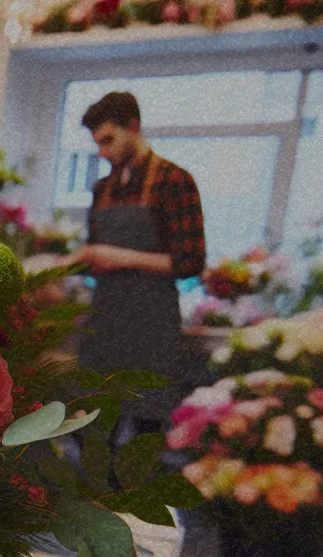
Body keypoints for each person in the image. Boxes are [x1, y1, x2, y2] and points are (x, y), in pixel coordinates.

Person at [72, 91, 207, 431]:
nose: (102, 152)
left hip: (152, 321)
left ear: (133, 126)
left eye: (108, 140)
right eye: (97, 144)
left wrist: (117, 257)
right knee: (91, 422)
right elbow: (94, 250)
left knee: (147, 421)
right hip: (105, 317)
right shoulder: (103, 187)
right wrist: (78, 261)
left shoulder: (173, 180)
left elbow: (190, 261)